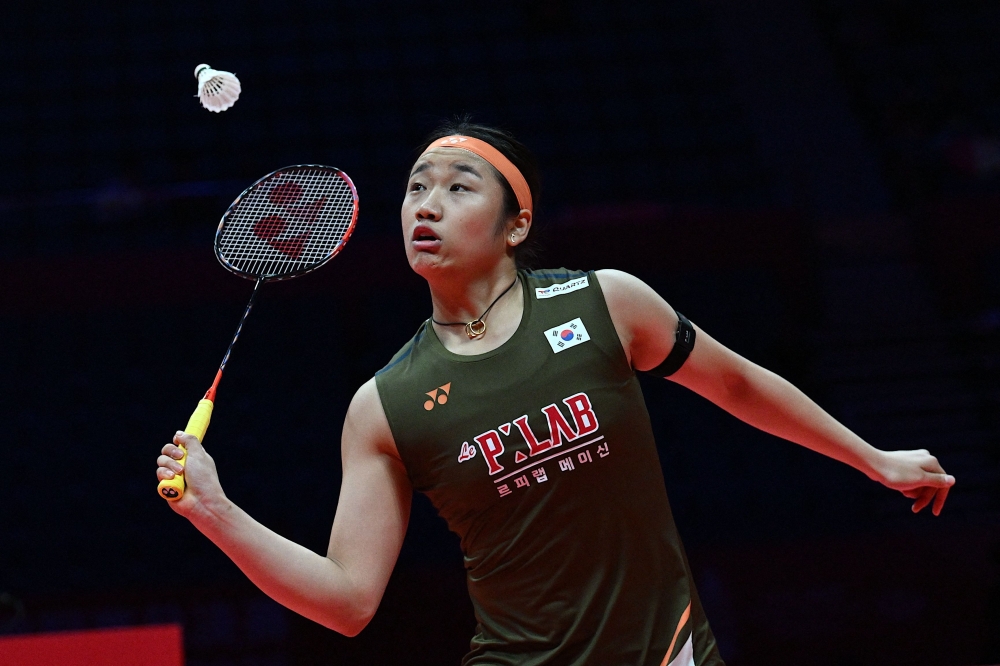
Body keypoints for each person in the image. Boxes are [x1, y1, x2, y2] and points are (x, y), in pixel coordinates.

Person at [156, 121, 955, 665]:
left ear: (515, 222)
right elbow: (348, 601)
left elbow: (740, 384)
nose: (425, 205)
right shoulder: (384, 404)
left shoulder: (607, 302)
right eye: (414, 188)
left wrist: (872, 459)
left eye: (459, 187)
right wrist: (215, 512)